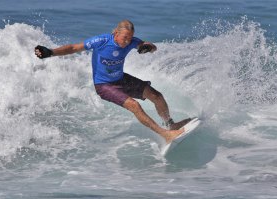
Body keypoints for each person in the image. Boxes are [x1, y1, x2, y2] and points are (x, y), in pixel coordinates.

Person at [35, 20, 191, 143]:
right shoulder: (101, 41)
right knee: (134, 105)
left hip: (121, 79)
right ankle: (166, 134)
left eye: (129, 38)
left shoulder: (132, 41)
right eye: (124, 38)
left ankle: (170, 124)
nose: (127, 41)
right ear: (116, 33)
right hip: (104, 85)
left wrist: (148, 47)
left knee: (156, 95)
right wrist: (50, 52)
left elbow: (148, 46)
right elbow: (74, 47)